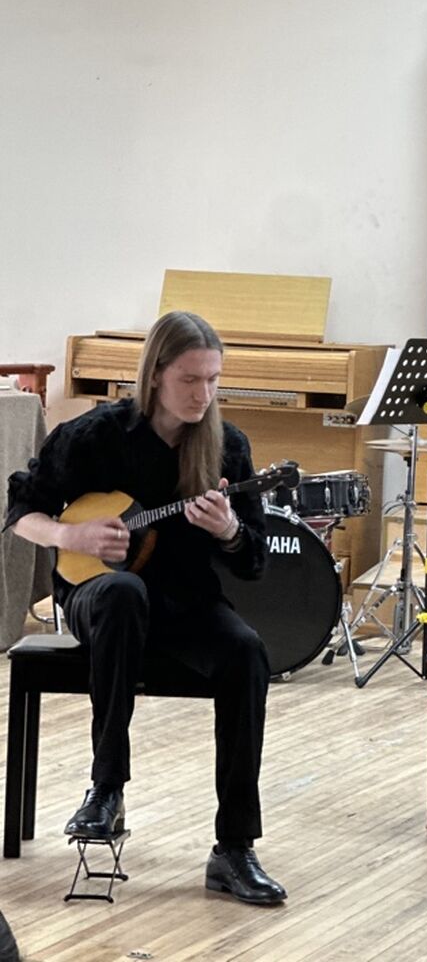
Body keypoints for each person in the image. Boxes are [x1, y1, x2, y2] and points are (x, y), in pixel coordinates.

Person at [4, 311, 286, 906]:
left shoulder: (227, 447)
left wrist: (230, 530)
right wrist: (70, 536)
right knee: (123, 592)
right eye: (190, 379)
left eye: (213, 380)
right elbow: (20, 511)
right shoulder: (97, 435)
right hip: (97, 596)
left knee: (246, 651)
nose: (203, 394)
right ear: (155, 374)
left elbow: (254, 562)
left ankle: (234, 848)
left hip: (186, 603)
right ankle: (107, 788)